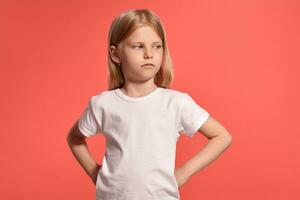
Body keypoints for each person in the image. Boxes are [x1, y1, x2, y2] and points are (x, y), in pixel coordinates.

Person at [66, 9, 232, 200]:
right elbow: (75, 138)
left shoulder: (175, 103)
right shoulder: (103, 104)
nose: (149, 54)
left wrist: (185, 171)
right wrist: (95, 173)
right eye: (138, 46)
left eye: (157, 46)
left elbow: (222, 136)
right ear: (116, 54)